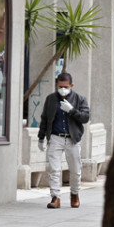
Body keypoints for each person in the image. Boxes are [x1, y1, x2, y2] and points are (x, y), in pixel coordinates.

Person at [38, 73, 90, 209]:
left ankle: (74, 194)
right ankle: (55, 197)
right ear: (56, 85)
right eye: (60, 87)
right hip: (55, 137)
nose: (62, 89)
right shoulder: (50, 99)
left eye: (65, 87)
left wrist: (72, 110)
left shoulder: (80, 99)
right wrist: (41, 137)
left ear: (71, 86)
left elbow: (85, 118)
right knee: (54, 169)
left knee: (75, 170)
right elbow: (44, 119)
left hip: (73, 139)